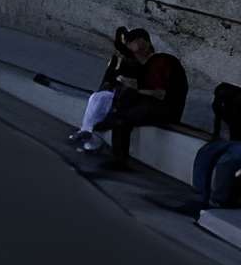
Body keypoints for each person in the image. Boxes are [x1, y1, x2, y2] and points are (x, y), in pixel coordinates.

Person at [72, 29, 186, 169]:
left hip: (167, 109)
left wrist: (135, 88)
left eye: (133, 46)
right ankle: (99, 133)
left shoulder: (160, 61)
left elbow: (161, 94)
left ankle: (117, 157)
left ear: (144, 43)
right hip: (155, 105)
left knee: (122, 117)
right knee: (117, 104)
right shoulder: (146, 67)